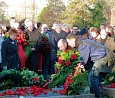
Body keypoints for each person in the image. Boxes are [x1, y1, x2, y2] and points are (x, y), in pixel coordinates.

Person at [66, 34, 115, 98]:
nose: (69, 44)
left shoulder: (82, 45)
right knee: (95, 77)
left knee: (92, 76)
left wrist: (78, 66)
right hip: (103, 57)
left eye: (69, 42)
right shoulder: (83, 42)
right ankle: (96, 94)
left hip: (102, 58)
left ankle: (96, 96)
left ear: (73, 40)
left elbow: (83, 60)